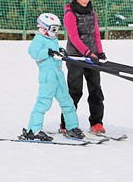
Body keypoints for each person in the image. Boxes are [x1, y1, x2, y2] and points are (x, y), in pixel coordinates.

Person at [20, 13, 85, 141]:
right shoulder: (39, 39)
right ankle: (33, 129)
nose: (55, 32)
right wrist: (48, 52)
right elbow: (33, 52)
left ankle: (72, 127)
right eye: (53, 29)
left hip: (58, 74)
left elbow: (55, 49)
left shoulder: (53, 40)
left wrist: (60, 50)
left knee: (67, 102)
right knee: (43, 102)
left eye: (57, 29)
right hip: (48, 75)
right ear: (43, 28)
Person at [60, 0, 107, 135]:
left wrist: (99, 52)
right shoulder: (70, 14)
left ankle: (96, 123)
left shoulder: (92, 12)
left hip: (92, 56)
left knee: (95, 90)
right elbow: (73, 37)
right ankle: (66, 124)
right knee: (75, 91)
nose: (86, 0)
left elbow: (96, 34)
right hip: (76, 57)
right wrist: (87, 52)